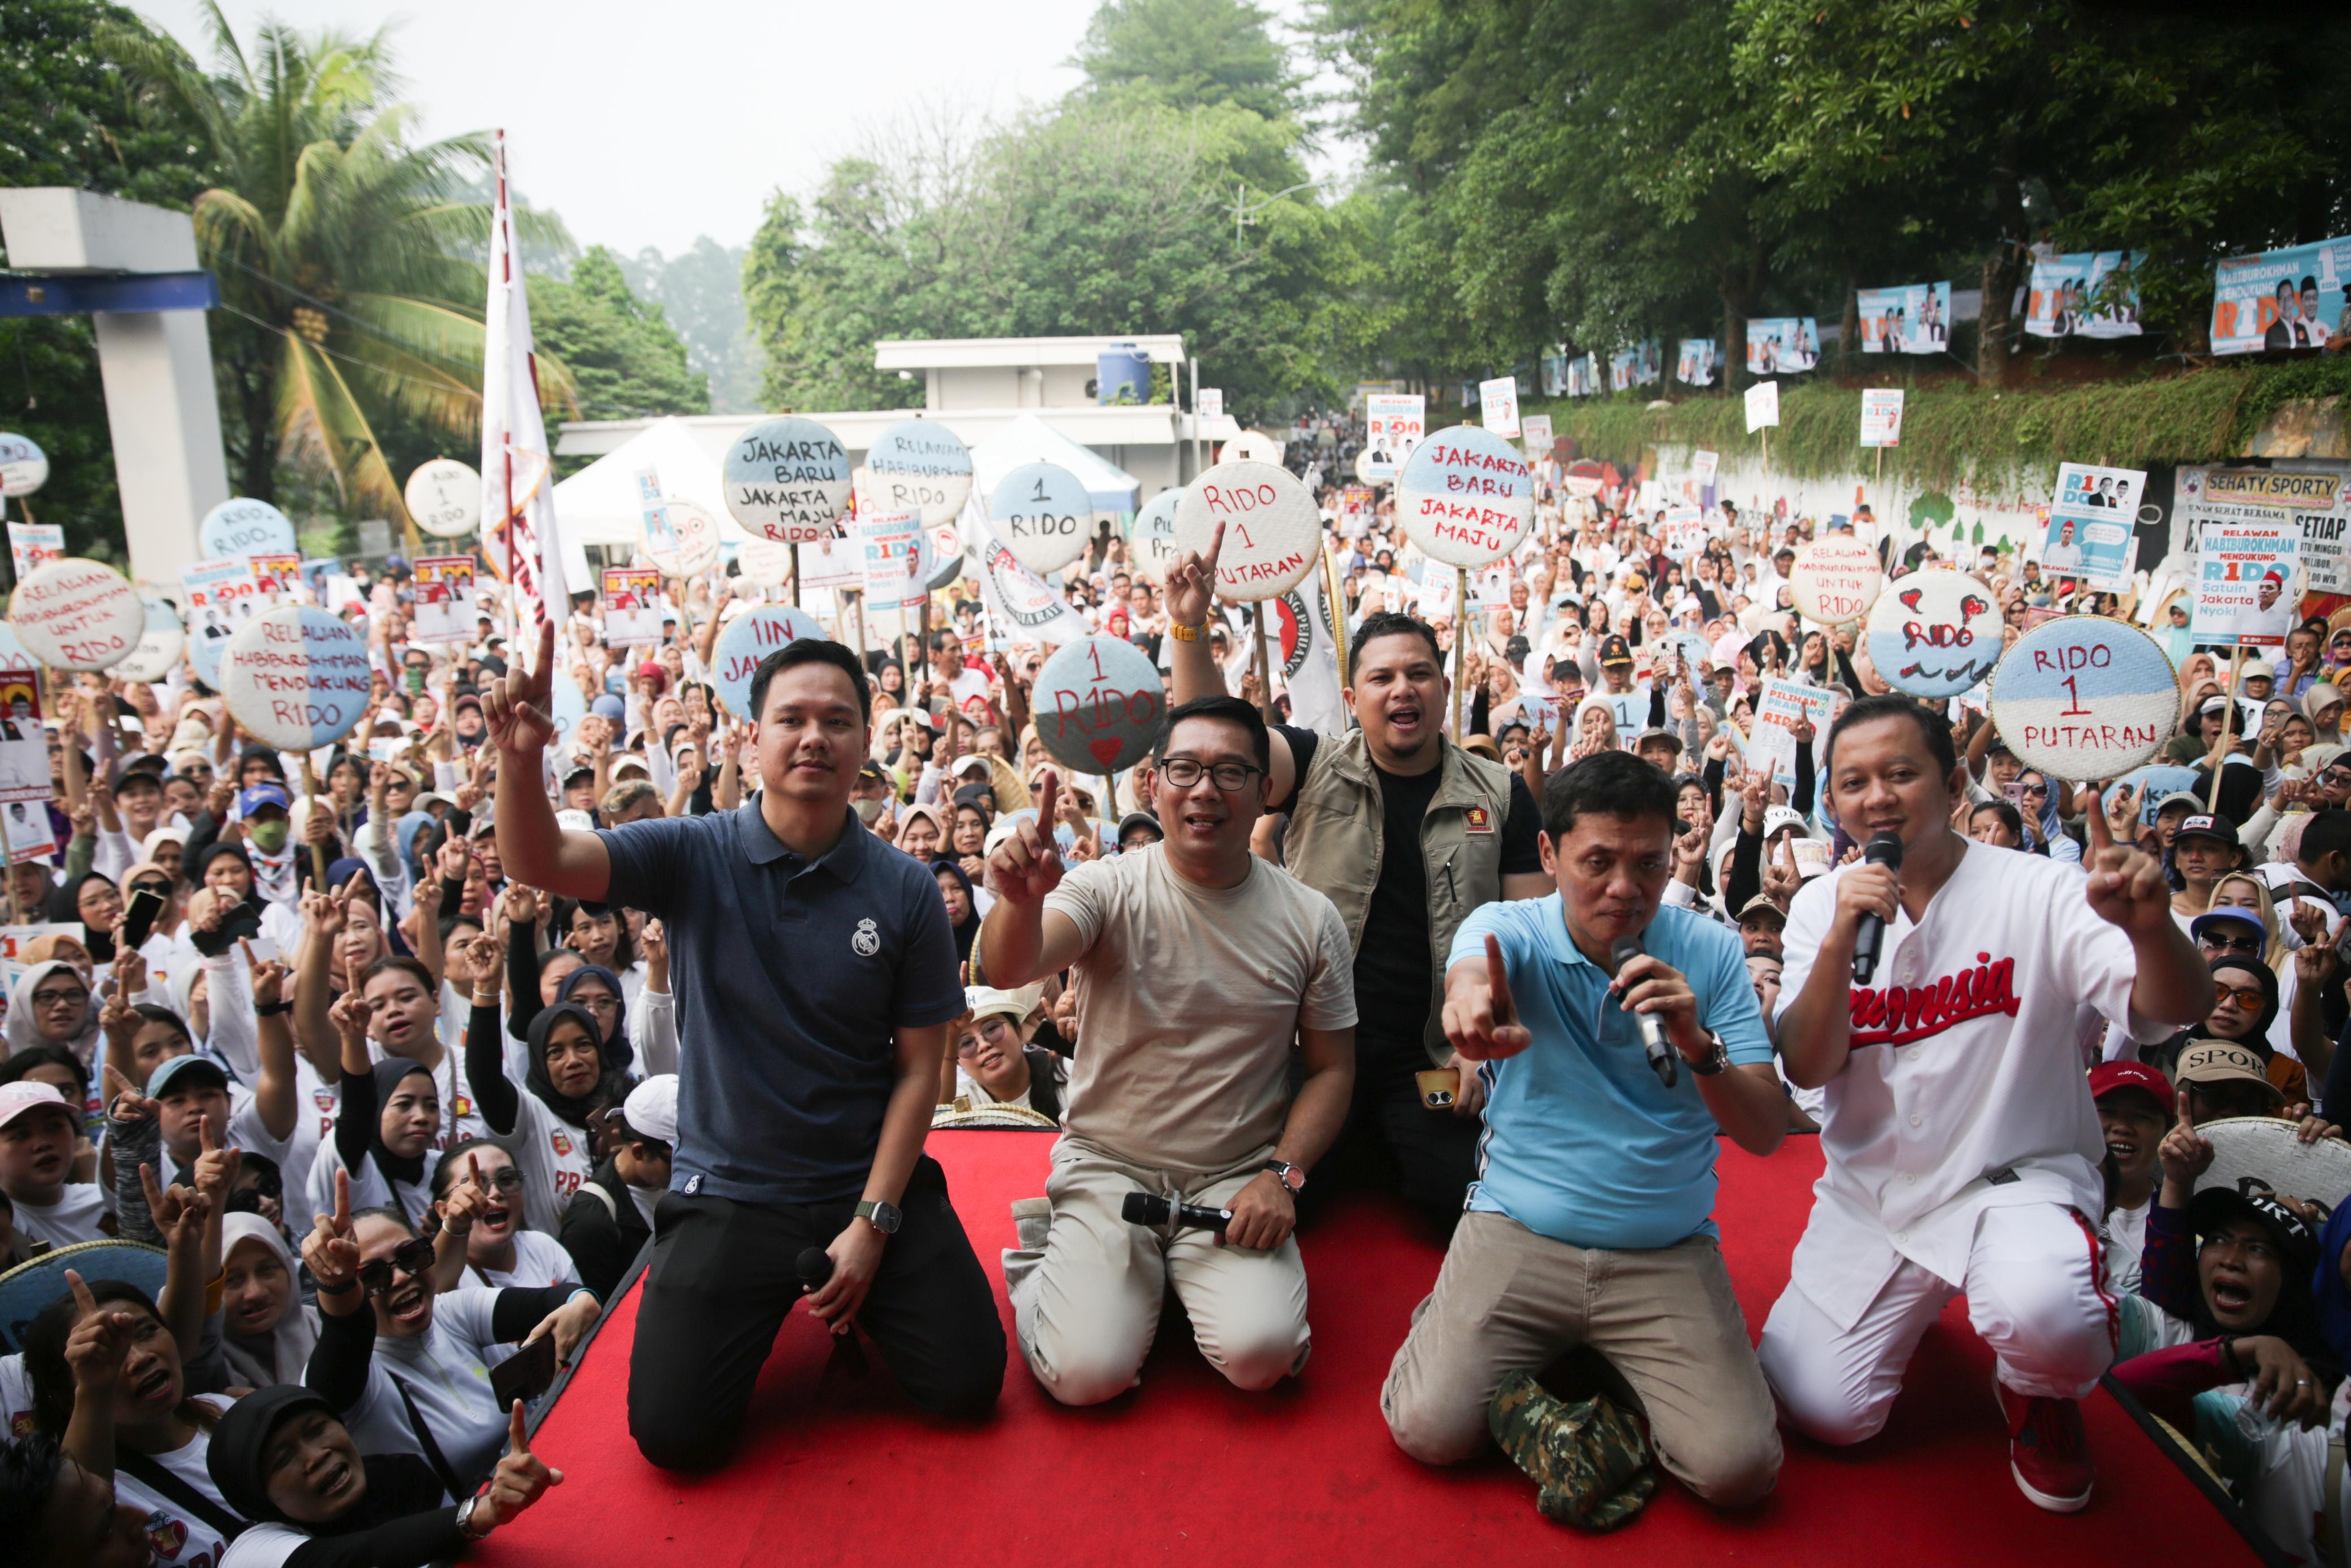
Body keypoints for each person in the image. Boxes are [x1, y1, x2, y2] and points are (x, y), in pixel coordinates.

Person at [486, 623, 1002, 1472]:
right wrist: (518, 756)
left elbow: (919, 1070)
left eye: (837, 720)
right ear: (753, 736)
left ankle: (857, 1287)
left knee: (968, 1387)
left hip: (867, 1180)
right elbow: (540, 857)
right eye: (791, 718)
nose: (814, 737)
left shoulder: (905, 885)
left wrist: (874, 1224)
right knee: (675, 1438)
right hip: (729, 1192)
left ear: (866, 743)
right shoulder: (693, 852)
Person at [1761, 694, 2207, 1512]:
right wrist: (1835, 943)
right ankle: (1918, 1297)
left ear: (1955, 777)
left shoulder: (2041, 887)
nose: (1879, 797)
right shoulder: (1825, 904)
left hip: (2014, 1178)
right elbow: (1809, 1063)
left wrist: (2153, 929)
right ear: (1832, 798)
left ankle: (2038, 1387)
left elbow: (2169, 1007)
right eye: (1854, 780)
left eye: (1902, 773)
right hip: (1878, 1195)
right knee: (1824, 1409)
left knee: (2052, 1319)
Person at [1381, 751, 1787, 1514]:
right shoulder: (1509, 929)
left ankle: (1580, 1356)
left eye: (1648, 864)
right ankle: (1483, 1328)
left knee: (1739, 1470)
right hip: (1520, 1227)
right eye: (1597, 861)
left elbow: (1765, 1132)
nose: (1625, 889)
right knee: (1426, 1428)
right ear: (1548, 854)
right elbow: (1471, 982)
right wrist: (1470, 1014)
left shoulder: (1713, 953)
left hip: (1664, 1246)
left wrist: (1700, 1047)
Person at [1166, 530, 1547, 1234]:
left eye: (1419, 673)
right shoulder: (1311, 763)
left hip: (1432, 1055)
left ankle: (1388, 1142)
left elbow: (1530, 933)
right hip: (1310, 1056)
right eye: (1381, 677)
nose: (1402, 689)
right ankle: (1352, 1142)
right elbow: (1211, 737)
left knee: (1454, 1202)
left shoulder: (1500, 792)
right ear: (1353, 694)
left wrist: (1483, 1046)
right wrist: (1189, 625)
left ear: (1443, 686)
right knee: (1256, 1207)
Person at [980, 700, 1357, 1406]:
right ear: (1154, 784)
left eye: (1230, 771)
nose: (1205, 789)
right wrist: (1017, 901)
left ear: (1264, 789)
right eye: (1184, 768)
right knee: (1087, 1375)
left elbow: (1334, 1069)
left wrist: (1283, 1176)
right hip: (1108, 1164)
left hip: (1233, 1177)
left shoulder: (1311, 919)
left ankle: (1153, 1281)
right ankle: (1054, 1255)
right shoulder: (1105, 886)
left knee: (1264, 1355)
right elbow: (1009, 966)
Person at [297, 1172, 599, 1491]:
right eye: (372, 1276)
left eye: (410, 1256)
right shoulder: (359, 1377)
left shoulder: (450, 1311)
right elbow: (343, 1342)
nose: (400, 1277)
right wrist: (337, 1284)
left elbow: (556, 1299)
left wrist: (582, 1302)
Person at [205, 1386, 560, 1567]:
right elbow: (366, 1554)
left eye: (316, 1431)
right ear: (257, 1496)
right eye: (283, 1460)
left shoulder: (401, 1475)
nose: (315, 1458)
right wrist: (478, 1514)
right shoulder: (251, 1553)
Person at [558, 1075, 675, 1300]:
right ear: (639, 1152)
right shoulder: (591, 1220)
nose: (686, 1170)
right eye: (675, 1160)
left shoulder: (676, 1182)